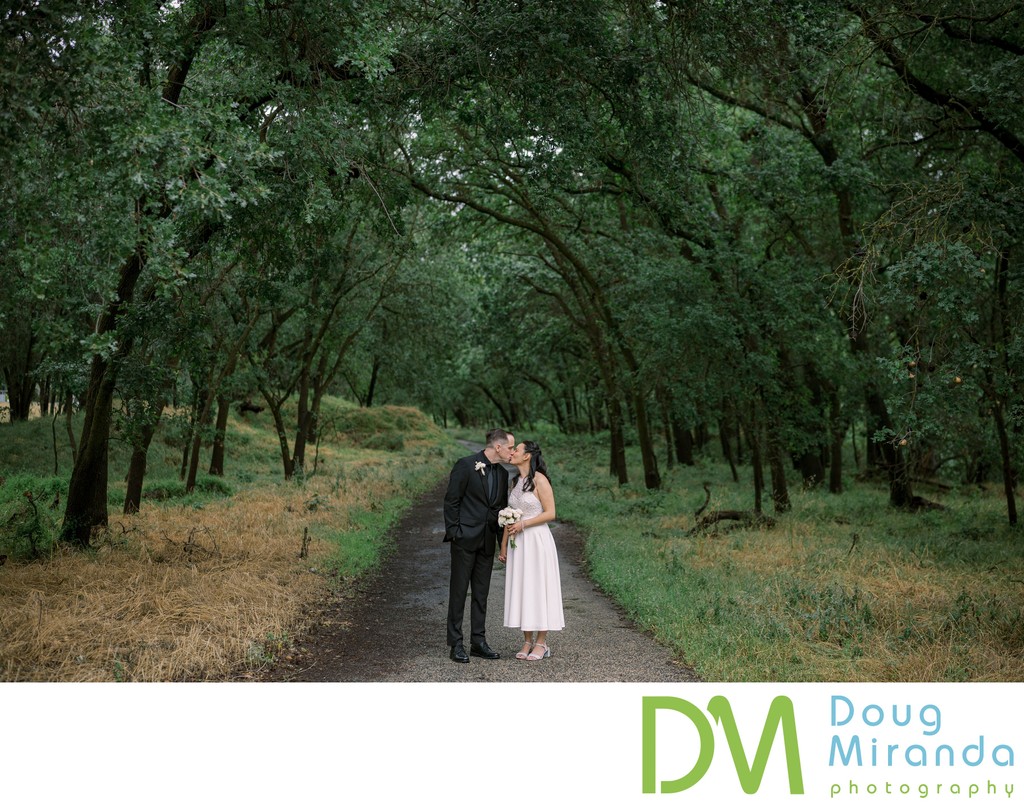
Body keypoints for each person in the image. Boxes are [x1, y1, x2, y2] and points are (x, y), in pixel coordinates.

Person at [443, 428, 515, 663]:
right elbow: (452, 500)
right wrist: (455, 533)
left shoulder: (503, 474)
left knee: (481, 595)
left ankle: (478, 641)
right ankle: (456, 644)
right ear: (498, 447)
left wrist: (501, 543)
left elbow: (500, 510)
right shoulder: (466, 465)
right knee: (459, 592)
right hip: (464, 540)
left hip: (486, 541)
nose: (512, 452)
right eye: (510, 447)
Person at [498, 440, 564, 661]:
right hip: (519, 543)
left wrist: (524, 525)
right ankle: (527, 641)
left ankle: (542, 643)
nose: (513, 451)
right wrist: (504, 544)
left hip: (536, 540)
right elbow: (511, 513)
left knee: (539, 587)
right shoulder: (516, 481)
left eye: (517, 449)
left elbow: (551, 513)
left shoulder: (540, 480)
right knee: (524, 588)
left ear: (527, 456)